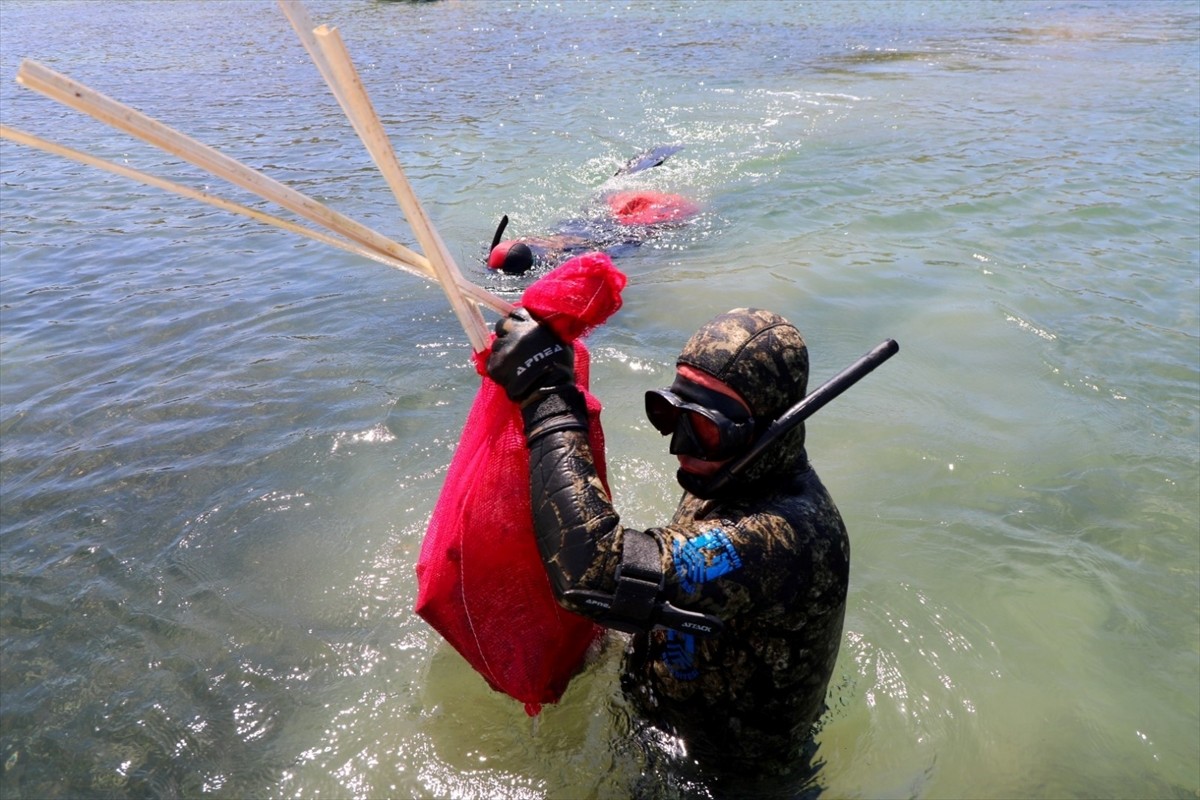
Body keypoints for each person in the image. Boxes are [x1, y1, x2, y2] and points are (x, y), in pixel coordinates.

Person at [486, 306, 850, 782]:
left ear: (769, 430)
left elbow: (595, 575)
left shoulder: (784, 536)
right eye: (670, 411)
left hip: (720, 785)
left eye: (705, 426)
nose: (680, 444)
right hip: (661, 736)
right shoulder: (726, 470)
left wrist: (549, 399)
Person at [486, 145, 700, 275]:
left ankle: (647, 163)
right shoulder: (540, 247)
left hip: (604, 229)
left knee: (615, 193)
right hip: (590, 226)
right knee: (610, 190)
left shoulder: (572, 255)